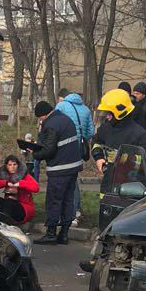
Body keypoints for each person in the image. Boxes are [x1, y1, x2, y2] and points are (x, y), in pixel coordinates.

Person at [21, 100, 83, 244]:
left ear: (43, 115)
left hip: (59, 169)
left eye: (39, 118)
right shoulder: (65, 119)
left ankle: (51, 234)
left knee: (54, 201)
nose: (39, 120)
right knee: (68, 200)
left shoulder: (50, 125)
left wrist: (34, 153)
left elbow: (48, 150)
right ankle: (64, 234)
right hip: (73, 167)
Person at [91, 87, 146, 186]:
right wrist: (99, 157)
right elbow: (96, 142)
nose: (107, 117)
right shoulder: (106, 129)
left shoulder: (139, 133)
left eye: (109, 113)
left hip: (131, 186)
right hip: (109, 184)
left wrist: (123, 159)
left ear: (120, 112)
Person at [54, 91, 93, 230]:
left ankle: (61, 214)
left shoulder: (61, 106)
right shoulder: (86, 109)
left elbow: (54, 126)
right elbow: (90, 132)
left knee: (61, 180)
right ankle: (74, 213)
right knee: (73, 180)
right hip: (77, 151)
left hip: (63, 149)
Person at [0, 154, 39, 224]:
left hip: (24, 209)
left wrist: (20, 183)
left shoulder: (25, 176)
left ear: (18, 165)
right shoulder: (6, 176)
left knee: (9, 201)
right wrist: (6, 183)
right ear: (6, 166)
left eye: (14, 164)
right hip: (10, 208)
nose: (12, 167)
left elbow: (36, 187)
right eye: (10, 165)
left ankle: (4, 224)